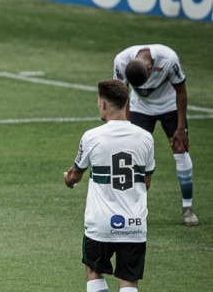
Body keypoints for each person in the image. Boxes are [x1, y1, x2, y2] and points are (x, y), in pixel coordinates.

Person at [64, 79, 155, 292]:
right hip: (134, 223)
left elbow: (75, 175)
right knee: (129, 281)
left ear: (103, 103)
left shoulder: (91, 137)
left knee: (94, 272)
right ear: (127, 103)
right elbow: (146, 182)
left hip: (101, 224)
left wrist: (68, 180)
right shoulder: (146, 138)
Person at [112, 44, 197, 225]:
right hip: (140, 108)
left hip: (170, 106)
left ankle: (187, 207)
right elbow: (122, 95)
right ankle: (130, 209)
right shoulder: (121, 61)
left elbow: (181, 91)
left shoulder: (169, 59)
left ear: (150, 68)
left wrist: (181, 127)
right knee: (132, 156)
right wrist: (124, 125)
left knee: (181, 151)